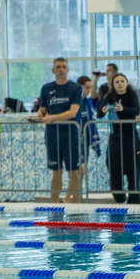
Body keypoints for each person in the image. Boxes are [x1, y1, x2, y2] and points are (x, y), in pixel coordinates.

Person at [34, 57, 82, 203]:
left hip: (70, 134)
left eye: (64, 67)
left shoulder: (76, 88)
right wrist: (38, 116)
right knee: (56, 172)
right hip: (52, 134)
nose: (61, 69)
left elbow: (73, 112)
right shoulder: (46, 88)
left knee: (73, 172)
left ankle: (77, 205)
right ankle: (54, 206)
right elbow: (43, 109)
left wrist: (52, 118)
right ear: (53, 70)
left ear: (67, 70)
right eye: (58, 67)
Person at [103, 72, 140, 204]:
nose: (120, 84)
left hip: (130, 137)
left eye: (122, 81)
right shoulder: (110, 96)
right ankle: (119, 199)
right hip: (115, 138)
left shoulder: (131, 95)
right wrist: (102, 109)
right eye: (117, 82)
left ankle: (134, 202)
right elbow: (99, 111)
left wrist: (123, 109)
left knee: (133, 171)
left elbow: (136, 110)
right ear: (113, 85)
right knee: (114, 169)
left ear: (126, 83)